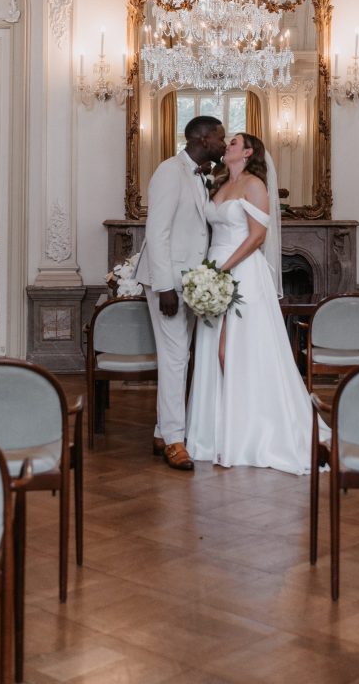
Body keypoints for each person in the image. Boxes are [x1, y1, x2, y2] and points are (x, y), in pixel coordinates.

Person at [186, 132, 330, 475]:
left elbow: (257, 236)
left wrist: (224, 268)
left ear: (248, 152)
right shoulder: (218, 185)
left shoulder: (254, 185)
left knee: (235, 351)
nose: (227, 146)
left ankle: (252, 429)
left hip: (242, 273)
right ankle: (213, 433)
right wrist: (208, 272)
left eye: (233, 142)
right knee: (211, 351)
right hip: (214, 270)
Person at [135, 115, 227, 471]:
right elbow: (156, 231)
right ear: (203, 139)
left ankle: (162, 431)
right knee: (175, 360)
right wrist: (164, 287)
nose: (224, 142)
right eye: (220, 137)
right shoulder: (170, 171)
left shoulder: (201, 175)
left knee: (180, 358)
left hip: (190, 282)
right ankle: (175, 440)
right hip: (168, 282)